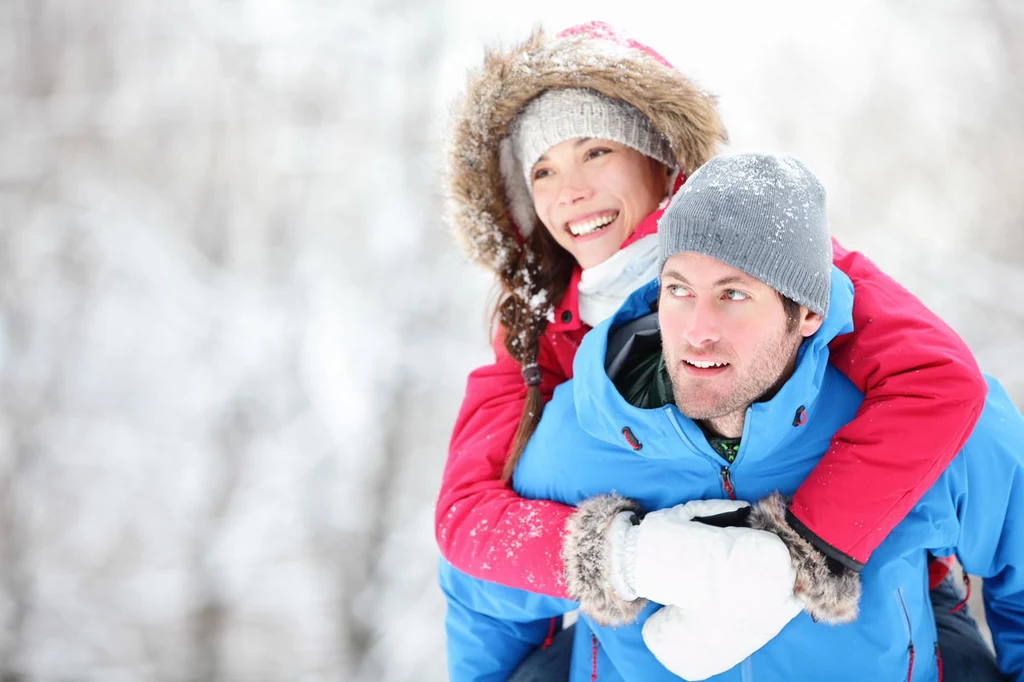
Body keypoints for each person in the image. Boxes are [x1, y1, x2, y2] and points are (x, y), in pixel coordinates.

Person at [437, 22, 993, 679]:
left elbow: (942, 382)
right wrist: (628, 556)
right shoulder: (538, 332)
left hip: (870, 617)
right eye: (544, 169)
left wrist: (806, 546)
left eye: (595, 152)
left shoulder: (765, 260)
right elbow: (469, 519)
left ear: (659, 157)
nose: (570, 191)